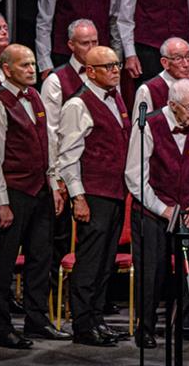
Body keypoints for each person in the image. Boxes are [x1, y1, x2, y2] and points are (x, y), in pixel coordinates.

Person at [0, 44, 70, 348]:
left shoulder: (34, 96)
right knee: (3, 262)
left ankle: (37, 319)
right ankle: (1, 327)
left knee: (40, 258)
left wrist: (54, 183)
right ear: (7, 69)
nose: (32, 69)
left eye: (33, 64)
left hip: (39, 190)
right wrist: (1, 203)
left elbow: (46, 146)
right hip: (13, 192)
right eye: (24, 65)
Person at [125, 79, 189, 349]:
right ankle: (145, 327)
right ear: (172, 106)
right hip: (152, 210)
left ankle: (188, 325)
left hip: (186, 209)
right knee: (152, 271)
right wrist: (164, 209)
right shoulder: (149, 125)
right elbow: (135, 176)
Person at [56, 46, 131, 346]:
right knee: (89, 262)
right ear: (90, 71)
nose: (115, 70)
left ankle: (97, 319)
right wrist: (78, 197)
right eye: (108, 66)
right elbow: (69, 156)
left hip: (114, 192)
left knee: (105, 262)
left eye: (117, 64)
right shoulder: (78, 104)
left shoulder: (116, 98)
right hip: (94, 193)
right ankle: (83, 325)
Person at [41, 19, 99, 289]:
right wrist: (56, 178)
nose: (91, 47)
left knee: (93, 243)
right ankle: (55, 299)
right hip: (67, 171)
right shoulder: (56, 80)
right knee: (59, 239)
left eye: (95, 42)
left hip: (95, 173)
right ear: (71, 45)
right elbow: (51, 134)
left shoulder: (103, 74)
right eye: (85, 43)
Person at [132, 37, 189, 125]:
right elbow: (140, 130)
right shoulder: (147, 90)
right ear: (165, 62)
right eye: (178, 59)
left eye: (188, 57)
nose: (186, 64)